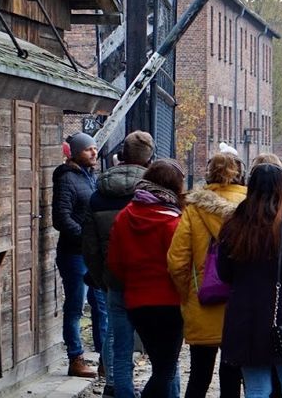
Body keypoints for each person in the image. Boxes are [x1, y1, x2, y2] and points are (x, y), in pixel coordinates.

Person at [218, 163, 282, 398]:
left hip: (244, 316)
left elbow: (223, 273)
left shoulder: (233, 224)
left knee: (257, 389)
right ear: (281, 189)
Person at [167, 152, 246, 398]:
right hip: (240, 303)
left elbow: (177, 260)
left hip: (203, 299)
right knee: (232, 376)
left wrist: (188, 291)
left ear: (208, 173)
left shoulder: (194, 208)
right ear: (239, 174)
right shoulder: (249, 207)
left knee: (199, 376)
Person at [83, 130, 155, 396]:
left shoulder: (99, 194)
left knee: (116, 332)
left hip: (113, 274)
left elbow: (88, 243)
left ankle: (114, 383)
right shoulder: (152, 194)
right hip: (148, 276)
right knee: (155, 337)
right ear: (149, 159)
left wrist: (100, 275)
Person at [107, 159, 187, 398]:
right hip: (170, 302)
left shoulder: (124, 216)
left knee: (161, 365)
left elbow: (114, 263)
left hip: (136, 301)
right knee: (166, 369)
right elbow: (180, 265)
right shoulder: (173, 221)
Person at [54, 132, 108, 378]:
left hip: (92, 255)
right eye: (88, 149)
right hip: (74, 255)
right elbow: (61, 218)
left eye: (95, 148)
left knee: (101, 306)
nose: (94, 152)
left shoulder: (91, 177)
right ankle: (75, 358)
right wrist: (86, 239)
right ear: (75, 152)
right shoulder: (66, 179)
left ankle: (105, 358)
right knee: (76, 306)